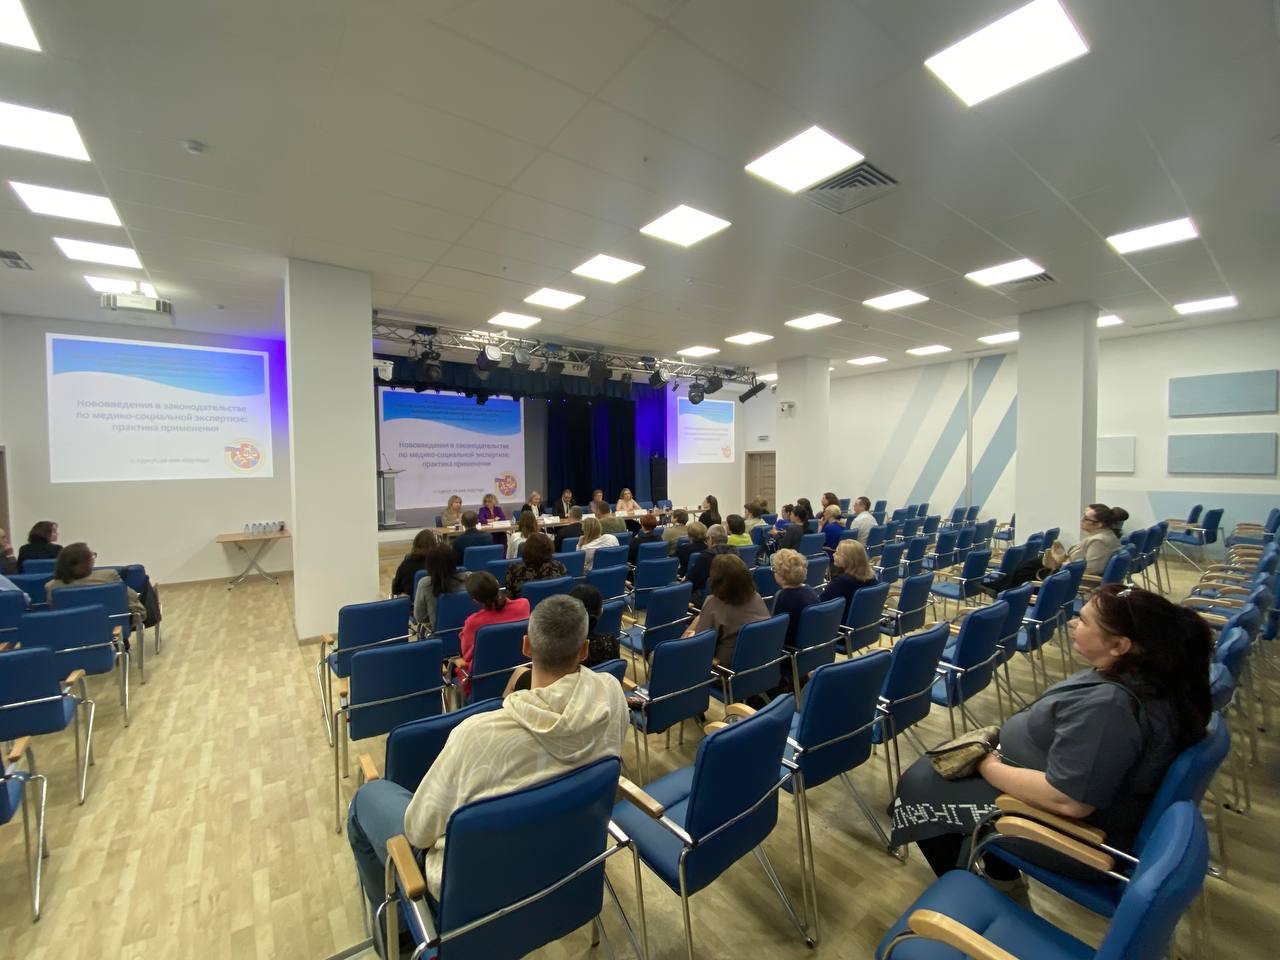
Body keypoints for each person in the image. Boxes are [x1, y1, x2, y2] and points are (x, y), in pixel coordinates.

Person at [347, 595, 629, 939]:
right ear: (584, 651)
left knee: (367, 798)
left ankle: (401, 932)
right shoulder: (611, 695)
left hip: (477, 893)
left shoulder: (476, 736)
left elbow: (418, 832)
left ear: (526, 646)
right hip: (566, 863)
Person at [890, 584, 1212, 883]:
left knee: (918, 789)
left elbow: (1069, 801)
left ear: (1119, 645)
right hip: (1053, 799)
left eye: (1083, 620)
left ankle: (977, 888)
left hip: (1067, 833)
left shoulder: (1110, 707)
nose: (1073, 623)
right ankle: (994, 878)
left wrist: (987, 766)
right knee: (929, 775)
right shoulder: (1140, 679)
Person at [505, 584, 621, 693]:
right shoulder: (610, 643)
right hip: (593, 693)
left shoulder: (553, 648)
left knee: (518, 673)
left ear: (527, 646)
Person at [684, 554, 769, 665]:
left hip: (723, 666)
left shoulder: (714, 603)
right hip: (758, 660)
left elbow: (700, 647)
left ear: (715, 579)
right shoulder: (756, 597)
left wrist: (691, 637)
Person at [456, 572, 531, 698]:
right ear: (497, 585)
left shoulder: (473, 622)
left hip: (484, 682)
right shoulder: (524, 605)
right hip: (522, 675)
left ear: (475, 600)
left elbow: (467, 655)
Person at [45, 542, 145, 620]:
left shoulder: (51, 586)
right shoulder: (109, 576)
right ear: (86, 561)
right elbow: (133, 596)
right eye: (92, 555)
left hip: (71, 630)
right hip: (113, 625)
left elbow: (55, 611)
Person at [770, 548, 819, 648]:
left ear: (781, 575)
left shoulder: (782, 596)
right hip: (811, 646)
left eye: (774, 569)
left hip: (789, 649)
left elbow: (775, 630)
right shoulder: (810, 590)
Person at [981, 541, 1068, 597]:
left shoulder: (1046, 569)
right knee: (1011, 579)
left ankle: (994, 588)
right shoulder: (1062, 573)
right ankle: (994, 587)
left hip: (1023, 586)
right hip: (1026, 581)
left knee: (1011, 579)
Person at [821, 540, 878, 620]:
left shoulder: (841, 582)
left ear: (846, 559)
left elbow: (821, 606)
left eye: (837, 553)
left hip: (838, 624)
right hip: (864, 622)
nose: (833, 555)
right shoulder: (872, 578)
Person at [414, 544, 466, 630]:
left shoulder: (425, 584)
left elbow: (419, 617)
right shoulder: (469, 578)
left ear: (429, 565)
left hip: (439, 634)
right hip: (466, 631)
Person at [504, 533, 567, 599]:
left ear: (526, 549)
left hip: (526, 605)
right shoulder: (559, 567)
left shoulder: (515, 570)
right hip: (554, 604)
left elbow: (508, 596)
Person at [1069, 504, 1124, 576]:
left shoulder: (1099, 541)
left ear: (1099, 525)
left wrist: (1066, 567)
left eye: (1086, 518)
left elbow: (1091, 570)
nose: (1081, 520)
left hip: (1083, 580)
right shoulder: (1104, 534)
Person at [685, 524, 733, 605]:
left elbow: (692, 581)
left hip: (708, 599)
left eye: (706, 539)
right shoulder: (735, 552)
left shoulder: (706, 557)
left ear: (710, 539)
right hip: (730, 596)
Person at [390, 529, 437, 597]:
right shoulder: (439, 565)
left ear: (414, 545)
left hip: (411, 603)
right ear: (434, 546)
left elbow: (395, 590)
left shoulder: (405, 565)